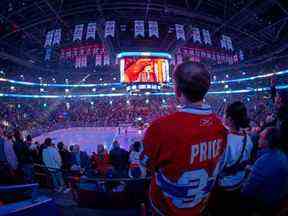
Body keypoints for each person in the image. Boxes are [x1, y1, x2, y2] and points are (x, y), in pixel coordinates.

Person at [142, 61, 227, 216]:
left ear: (178, 90)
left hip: (164, 209)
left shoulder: (160, 128)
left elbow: (146, 163)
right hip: (199, 207)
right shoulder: (220, 128)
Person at [210, 101, 254, 215]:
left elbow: (217, 169)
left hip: (224, 188)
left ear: (229, 118)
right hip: (238, 183)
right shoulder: (247, 138)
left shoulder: (226, 140)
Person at [241, 127, 288, 215]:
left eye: (261, 137)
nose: (258, 138)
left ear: (267, 142)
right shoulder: (282, 155)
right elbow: (268, 172)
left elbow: (247, 190)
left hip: (264, 204)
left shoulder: (263, 161)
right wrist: (253, 168)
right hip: (278, 198)